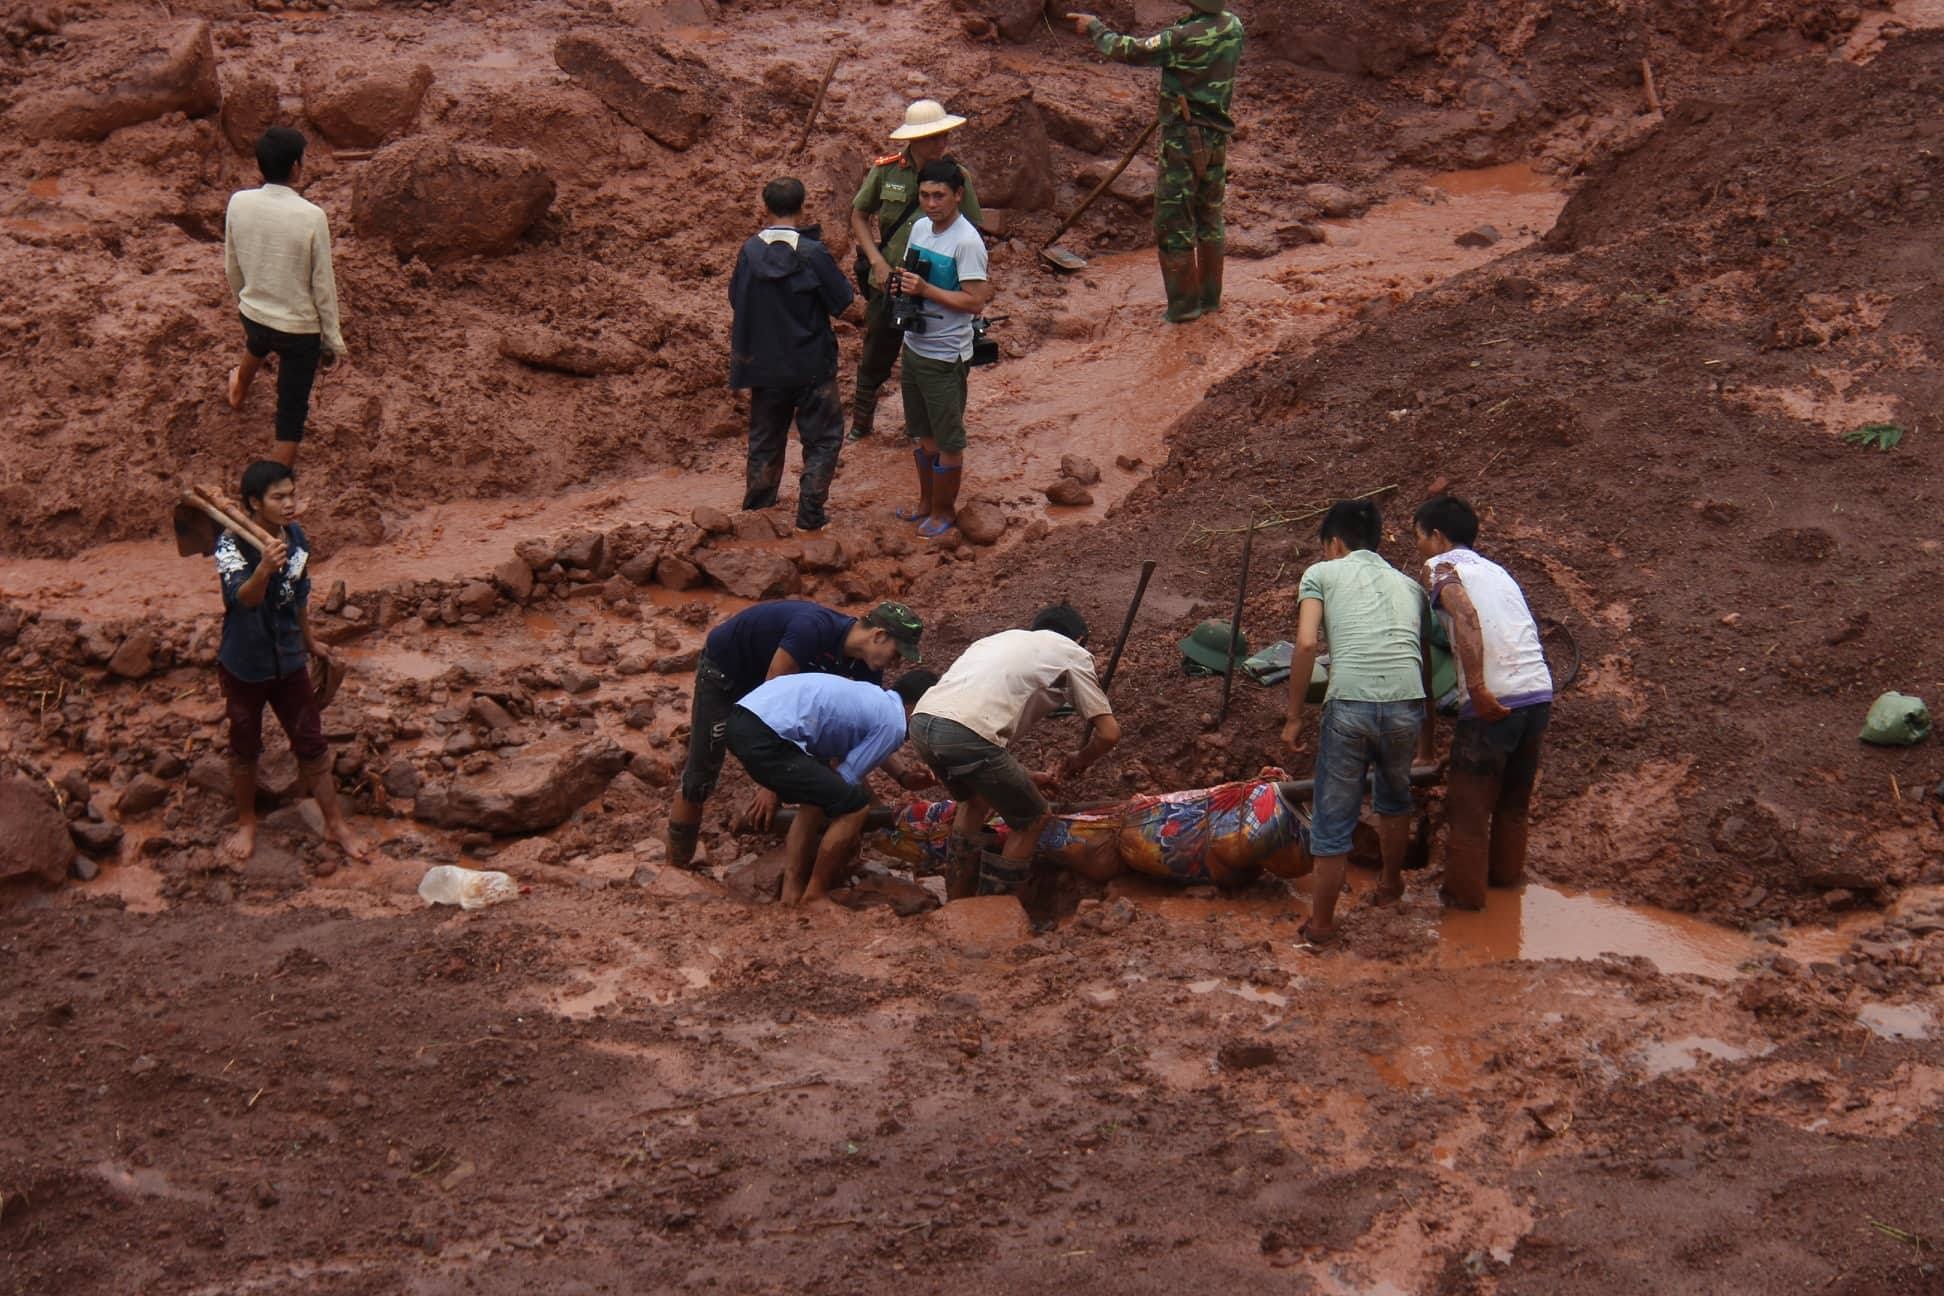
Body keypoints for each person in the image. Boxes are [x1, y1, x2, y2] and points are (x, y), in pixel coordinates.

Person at [666, 599, 927, 867]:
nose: (896, 664)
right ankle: (676, 868)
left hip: (771, 694)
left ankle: (809, 849)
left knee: (820, 769)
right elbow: (771, 697)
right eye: (897, 654)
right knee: (701, 774)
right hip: (727, 673)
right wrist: (770, 787)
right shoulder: (814, 629)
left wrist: (901, 777)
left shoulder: (865, 669)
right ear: (879, 635)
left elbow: (867, 734)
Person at [1281, 500, 1434, 946]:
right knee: (1394, 799)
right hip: (1407, 701)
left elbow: (1306, 644)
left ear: (1333, 542)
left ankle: (1321, 926)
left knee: (1333, 816)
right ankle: (1390, 886)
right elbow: (1423, 661)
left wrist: (1294, 717)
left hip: (1350, 702)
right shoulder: (1411, 586)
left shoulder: (1321, 574)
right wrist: (1427, 738)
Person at [910, 604, 1120, 899]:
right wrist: (1081, 758)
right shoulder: (1072, 652)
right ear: (1080, 639)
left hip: (922, 723)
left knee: (975, 801)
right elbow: (1109, 734)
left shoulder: (998, 640)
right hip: (967, 734)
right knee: (1033, 818)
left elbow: (979, 745)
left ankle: (957, 901)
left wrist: (1028, 776)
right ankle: (994, 910)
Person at [214, 460, 365, 864]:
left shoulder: (295, 538)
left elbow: (299, 595)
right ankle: (247, 822)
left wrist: (310, 641)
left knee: (311, 740)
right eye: (278, 497)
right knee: (244, 743)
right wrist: (264, 568)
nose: (289, 503)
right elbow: (242, 600)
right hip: (245, 661)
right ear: (254, 502)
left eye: (291, 495)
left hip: (288, 657)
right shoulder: (229, 543)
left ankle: (335, 825)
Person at [1414, 495, 1554, 910]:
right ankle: (1507, 892)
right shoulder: (1497, 571)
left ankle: (1465, 910)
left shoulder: (1440, 566)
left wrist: (1475, 687)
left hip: (1495, 696)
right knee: (1513, 805)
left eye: (1417, 536)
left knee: (1469, 811)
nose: (1417, 546)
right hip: (1537, 692)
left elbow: (1465, 616)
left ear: (1437, 536)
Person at [1067, 3, 1244, 323]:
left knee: (1173, 223)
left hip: (1184, 141)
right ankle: (1209, 301)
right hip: (1217, 137)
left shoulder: (1181, 38)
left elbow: (1129, 50)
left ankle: (1184, 310)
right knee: (1209, 217)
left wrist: (1095, 28)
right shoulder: (1233, 25)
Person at [727, 670, 940, 904]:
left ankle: (791, 894)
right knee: (854, 808)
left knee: (818, 799)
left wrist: (904, 778)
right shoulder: (895, 724)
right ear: (919, 707)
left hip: (744, 720)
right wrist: (850, 832)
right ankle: (815, 894)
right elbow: (847, 776)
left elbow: (846, 765)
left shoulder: (876, 700)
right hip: (769, 735)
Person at [847, 99, 982, 443]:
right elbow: (858, 215)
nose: (942, 143)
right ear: (915, 139)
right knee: (876, 351)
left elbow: (972, 231)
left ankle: (926, 426)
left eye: (944, 136)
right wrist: (877, 262)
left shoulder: (957, 178)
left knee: (931, 353)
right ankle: (861, 422)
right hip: (889, 283)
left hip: (937, 287)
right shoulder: (887, 171)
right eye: (934, 137)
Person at [729, 177, 855, 532]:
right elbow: (843, 301)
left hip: (764, 365)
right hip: (811, 363)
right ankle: (810, 515)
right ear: (803, 207)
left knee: (765, 440)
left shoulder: (750, 251)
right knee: (824, 439)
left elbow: (737, 298)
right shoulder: (812, 252)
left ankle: (757, 516)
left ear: (765, 208)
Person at [223, 127, 348, 467]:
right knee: (290, 415)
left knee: (258, 341)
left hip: (253, 313)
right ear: (295, 167)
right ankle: (276, 483)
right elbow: (323, 286)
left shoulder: (238, 202)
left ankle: (238, 388)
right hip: (297, 332)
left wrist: (244, 302)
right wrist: (332, 341)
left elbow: (232, 264)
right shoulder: (312, 216)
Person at [891, 159, 993, 539]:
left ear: (958, 196)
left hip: (946, 353)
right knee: (923, 432)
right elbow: (911, 276)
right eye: (924, 196)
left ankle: (944, 511)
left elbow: (975, 301)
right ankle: (926, 503)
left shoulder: (967, 242)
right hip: (914, 344)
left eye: (939, 196)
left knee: (948, 438)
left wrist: (925, 290)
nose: (931, 204)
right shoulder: (920, 228)